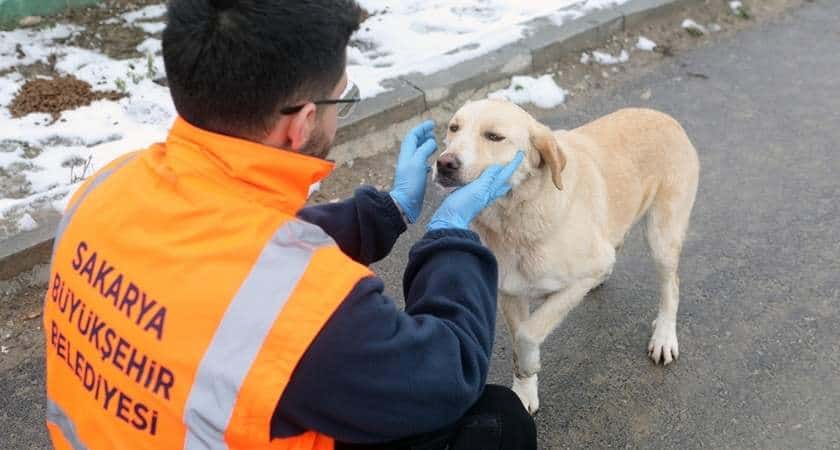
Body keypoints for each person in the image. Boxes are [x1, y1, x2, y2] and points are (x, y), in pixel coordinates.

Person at [42, 0, 536, 449]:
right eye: (344, 99)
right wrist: (450, 237)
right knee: (497, 422)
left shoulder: (105, 184)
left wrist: (389, 211)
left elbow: (234, 242)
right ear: (301, 123)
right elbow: (449, 372)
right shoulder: (313, 313)